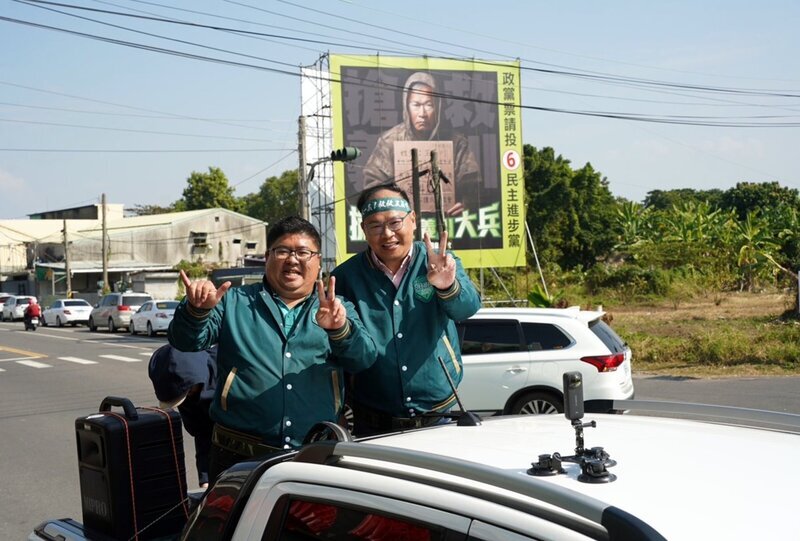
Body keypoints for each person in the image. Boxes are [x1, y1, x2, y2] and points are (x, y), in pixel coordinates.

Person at [168, 216, 376, 481]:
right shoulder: (234, 301)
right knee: (235, 521)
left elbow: (364, 359)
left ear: (318, 260)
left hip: (315, 451)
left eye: (303, 252)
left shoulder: (337, 307)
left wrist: (339, 329)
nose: (292, 260)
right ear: (267, 256)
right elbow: (186, 342)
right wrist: (196, 311)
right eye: (283, 251)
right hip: (238, 453)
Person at [330, 183, 481, 436]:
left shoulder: (441, 261)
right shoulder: (345, 277)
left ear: (413, 220)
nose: (387, 234)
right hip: (373, 421)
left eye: (395, 223)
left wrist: (447, 287)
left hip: (439, 416)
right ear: (363, 230)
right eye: (375, 225)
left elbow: (467, 308)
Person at [362, 71, 483, 215]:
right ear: (406, 106)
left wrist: (466, 204)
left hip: (448, 222)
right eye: (416, 105)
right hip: (402, 222)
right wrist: (391, 206)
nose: (422, 113)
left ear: (437, 106)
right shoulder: (389, 142)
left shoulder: (457, 142)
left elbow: (474, 185)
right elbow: (373, 182)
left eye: (428, 105)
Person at [148, 344, 217, 488]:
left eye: (188, 393)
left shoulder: (227, 368)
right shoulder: (188, 390)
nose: (187, 399)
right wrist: (205, 477)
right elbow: (202, 432)